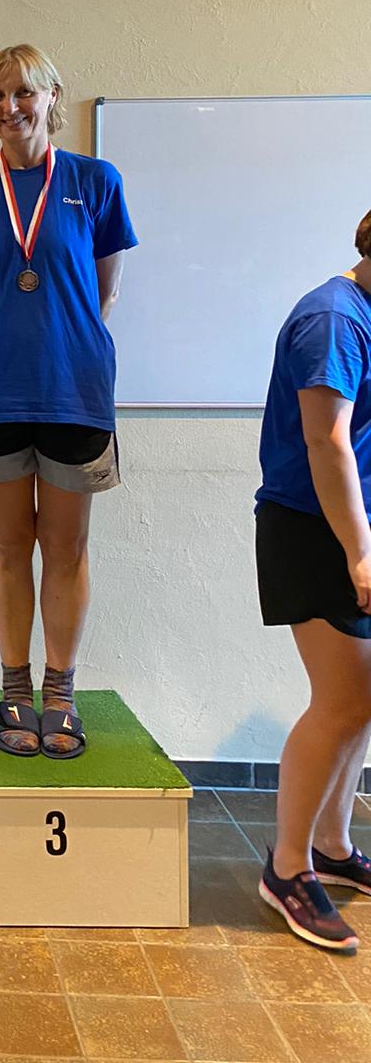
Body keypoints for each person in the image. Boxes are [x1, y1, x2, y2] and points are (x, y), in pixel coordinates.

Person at [0, 44, 136, 758]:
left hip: (75, 388)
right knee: (7, 543)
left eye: (24, 92)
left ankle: (61, 694)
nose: (10, 106)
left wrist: (59, 342)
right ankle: (15, 691)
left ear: (52, 96)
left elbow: (104, 290)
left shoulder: (96, 181)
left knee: (67, 547)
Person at [254, 209, 371, 953]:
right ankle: (288, 869)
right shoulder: (333, 320)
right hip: (314, 530)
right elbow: (327, 443)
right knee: (343, 700)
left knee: (364, 698)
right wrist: (359, 554)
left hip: (354, 529)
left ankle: (331, 845)